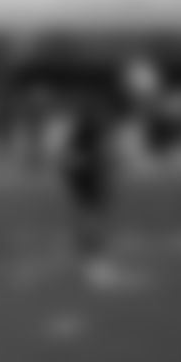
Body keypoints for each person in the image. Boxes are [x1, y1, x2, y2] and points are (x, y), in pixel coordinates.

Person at [59, 95, 129, 289]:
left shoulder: (85, 131)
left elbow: (74, 158)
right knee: (92, 218)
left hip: (86, 180)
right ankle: (92, 257)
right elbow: (89, 156)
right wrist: (104, 164)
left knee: (89, 217)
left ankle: (88, 255)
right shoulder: (89, 131)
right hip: (89, 180)